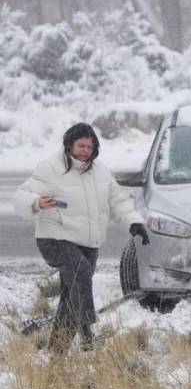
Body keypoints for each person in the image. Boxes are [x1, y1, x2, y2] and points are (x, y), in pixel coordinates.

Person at [13, 123, 149, 353]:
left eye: (91, 145)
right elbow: (21, 196)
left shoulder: (101, 172)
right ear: (69, 144)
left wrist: (134, 222)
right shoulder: (51, 168)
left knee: (71, 295)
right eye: (81, 145)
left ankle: (57, 352)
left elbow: (118, 203)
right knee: (80, 272)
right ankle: (87, 331)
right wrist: (36, 203)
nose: (86, 150)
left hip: (88, 244)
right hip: (54, 238)